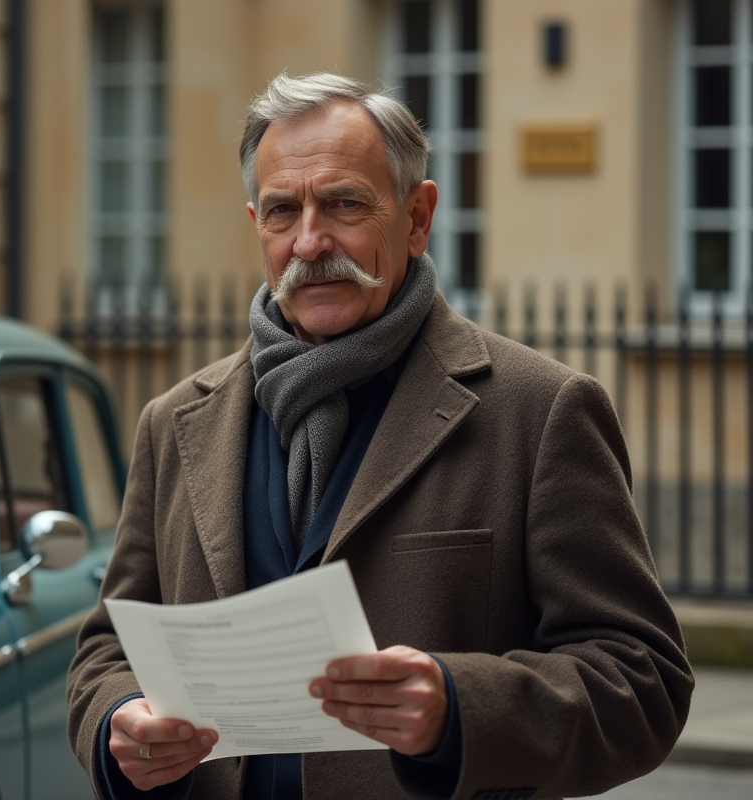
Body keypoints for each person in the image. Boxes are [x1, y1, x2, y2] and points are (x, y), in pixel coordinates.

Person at [67, 72, 693, 800]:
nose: (310, 241)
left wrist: (459, 708)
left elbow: (644, 680)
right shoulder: (174, 421)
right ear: (257, 224)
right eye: (283, 211)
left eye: (344, 203)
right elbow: (105, 650)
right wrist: (117, 722)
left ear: (417, 217)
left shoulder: (540, 409)